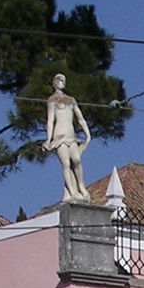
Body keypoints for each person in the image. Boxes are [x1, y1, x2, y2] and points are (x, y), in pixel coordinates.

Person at [43, 73, 91, 203]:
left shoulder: (71, 100)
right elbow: (50, 120)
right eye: (59, 80)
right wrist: (48, 139)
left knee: (77, 160)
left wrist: (88, 134)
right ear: (54, 83)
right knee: (66, 164)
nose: (62, 82)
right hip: (60, 136)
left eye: (63, 80)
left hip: (71, 136)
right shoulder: (52, 100)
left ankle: (81, 186)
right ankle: (72, 192)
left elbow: (80, 119)